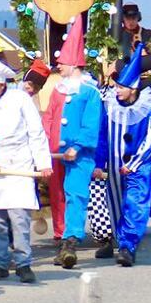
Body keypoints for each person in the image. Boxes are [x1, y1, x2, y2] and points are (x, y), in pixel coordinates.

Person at [0, 61, 52, 284]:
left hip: (18, 164)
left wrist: (42, 162)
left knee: (19, 218)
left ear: (1, 83)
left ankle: (24, 263)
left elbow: (36, 132)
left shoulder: (20, 99)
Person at [97, 47, 151, 266]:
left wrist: (134, 164)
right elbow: (103, 136)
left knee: (135, 203)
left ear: (133, 88)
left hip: (139, 167)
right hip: (115, 166)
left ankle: (128, 246)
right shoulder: (110, 106)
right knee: (115, 204)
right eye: (117, 86)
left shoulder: (148, 109)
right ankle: (120, 239)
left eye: (122, 87)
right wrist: (99, 163)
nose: (117, 91)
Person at [52, 21, 104, 270]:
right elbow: (50, 118)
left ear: (73, 64)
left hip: (79, 155)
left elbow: (91, 124)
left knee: (75, 193)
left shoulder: (90, 93)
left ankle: (70, 242)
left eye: (62, 62)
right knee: (57, 195)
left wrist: (78, 146)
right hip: (55, 152)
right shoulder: (57, 91)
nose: (58, 65)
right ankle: (60, 237)